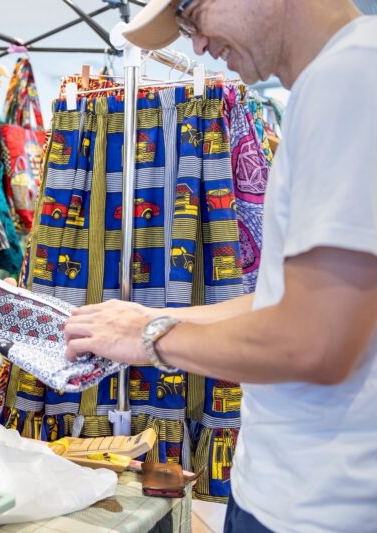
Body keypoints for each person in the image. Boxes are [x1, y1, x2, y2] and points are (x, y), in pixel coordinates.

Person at [63, 1, 377, 531]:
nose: (197, 44)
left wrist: (150, 338)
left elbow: (313, 342)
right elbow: (286, 301)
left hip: (319, 506)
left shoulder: (348, 78)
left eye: (192, 12)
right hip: (297, 488)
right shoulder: (341, 77)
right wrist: (148, 318)